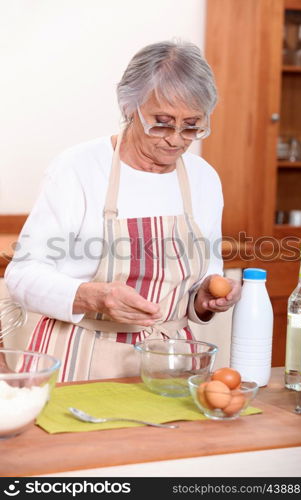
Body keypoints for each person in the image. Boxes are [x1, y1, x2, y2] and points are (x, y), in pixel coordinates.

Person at [5, 40, 241, 381]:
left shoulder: (203, 178)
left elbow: (205, 274)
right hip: (78, 360)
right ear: (130, 108)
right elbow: (21, 276)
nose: (175, 139)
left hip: (169, 362)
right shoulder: (78, 168)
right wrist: (93, 297)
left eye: (192, 126)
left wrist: (204, 298)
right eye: (161, 123)